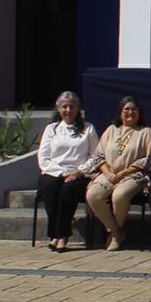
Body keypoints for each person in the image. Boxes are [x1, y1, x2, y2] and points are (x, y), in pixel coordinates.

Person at [85, 96, 151, 251]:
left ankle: (115, 233)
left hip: (132, 176)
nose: (130, 112)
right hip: (109, 174)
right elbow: (99, 156)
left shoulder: (145, 132)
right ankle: (116, 232)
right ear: (120, 112)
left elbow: (150, 159)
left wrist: (123, 173)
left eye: (134, 109)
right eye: (127, 109)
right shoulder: (111, 130)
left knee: (119, 196)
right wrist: (108, 173)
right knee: (93, 195)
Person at [36, 91, 99, 252]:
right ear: (58, 108)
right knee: (50, 187)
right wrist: (59, 172)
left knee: (68, 189)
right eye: (64, 107)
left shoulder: (88, 128)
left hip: (79, 173)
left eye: (72, 106)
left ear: (78, 109)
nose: (68, 110)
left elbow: (96, 155)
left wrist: (79, 171)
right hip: (54, 171)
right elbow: (43, 157)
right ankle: (57, 234)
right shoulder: (52, 129)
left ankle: (61, 236)